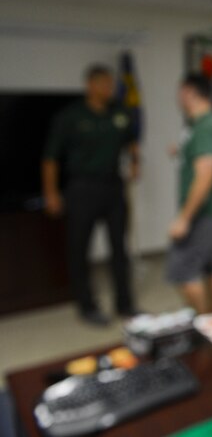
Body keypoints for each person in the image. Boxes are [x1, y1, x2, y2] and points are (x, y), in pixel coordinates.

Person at [42, 64, 140, 325]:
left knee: (120, 248)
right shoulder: (70, 117)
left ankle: (125, 304)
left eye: (111, 84)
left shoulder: (119, 112)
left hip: (113, 187)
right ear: (91, 86)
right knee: (79, 250)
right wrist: (51, 193)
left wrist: (135, 161)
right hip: (82, 189)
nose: (110, 89)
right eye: (105, 84)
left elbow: (132, 139)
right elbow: (50, 158)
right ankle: (87, 306)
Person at [167, 74, 212, 314]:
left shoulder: (205, 127)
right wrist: (182, 151)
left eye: (180, 91)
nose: (178, 97)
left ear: (189, 93)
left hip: (203, 213)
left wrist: (184, 218)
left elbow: (206, 175)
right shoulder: (207, 124)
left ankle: (205, 324)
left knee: (182, 270)